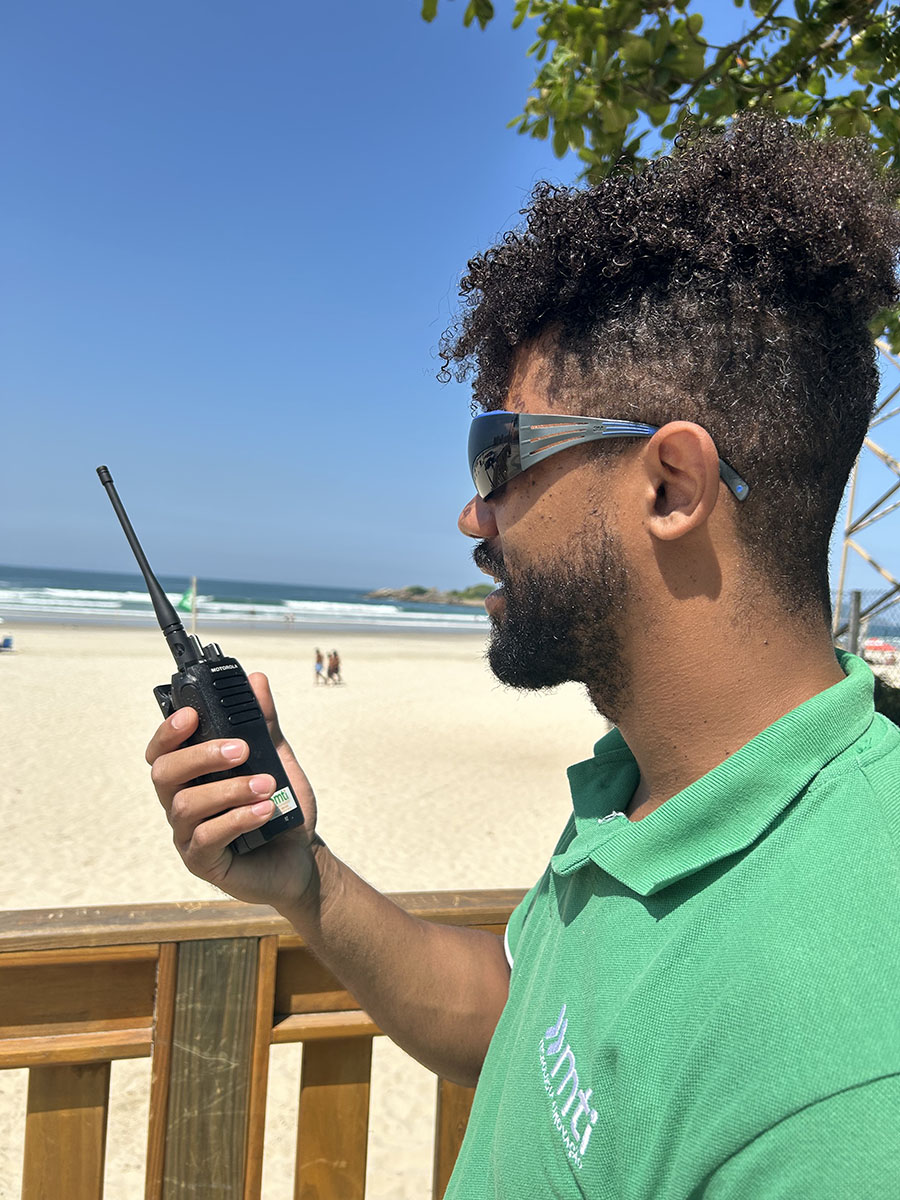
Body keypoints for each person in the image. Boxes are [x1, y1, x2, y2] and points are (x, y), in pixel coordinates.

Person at [146, 115, 900, 1196]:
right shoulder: (649, 783)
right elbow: (526, 1018)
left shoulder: (846, 1084)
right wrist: (303, 881)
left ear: (671, 488)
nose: (473, 514)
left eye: (499, 457)